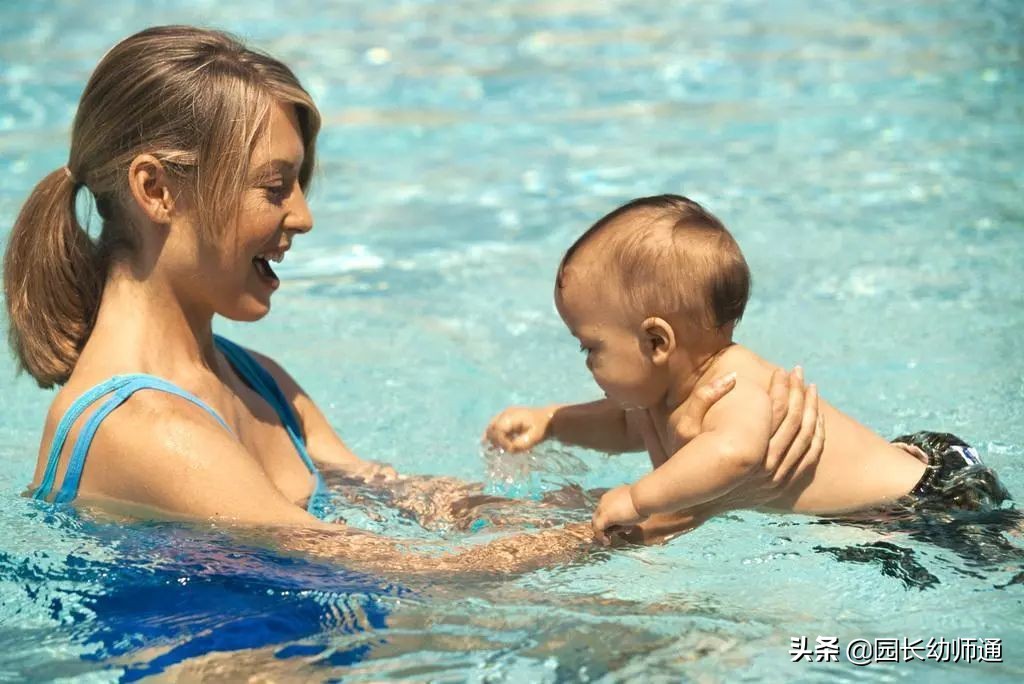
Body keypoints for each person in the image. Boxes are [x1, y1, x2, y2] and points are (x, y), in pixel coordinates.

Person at [3, 27, 820, 574]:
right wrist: (649, 518)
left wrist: (683, 451)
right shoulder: (146, 428)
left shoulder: (258, 382)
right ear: (156, 190)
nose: (303, 216)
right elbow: (389, 568)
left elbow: (415, 505)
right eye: (275, 187)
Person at [486, 195, 1010, 544]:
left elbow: (734, 453)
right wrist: (552, 420)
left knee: (1005, 554)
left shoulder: (730, 384)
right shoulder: (656, 397)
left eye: (589, 348)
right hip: (881, 505)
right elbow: (620, 425)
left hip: (926, 498)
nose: (588, 364)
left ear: (656, 341)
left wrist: (639, 497)